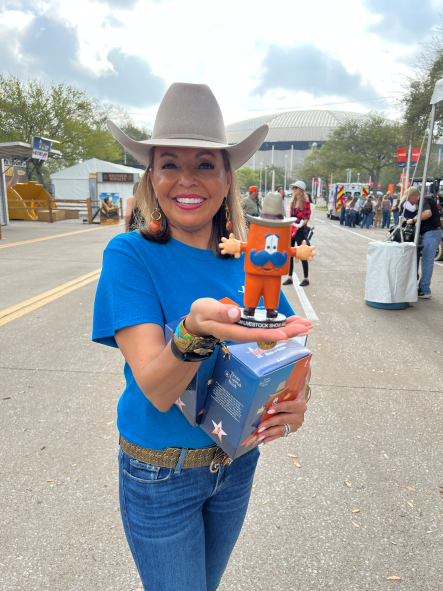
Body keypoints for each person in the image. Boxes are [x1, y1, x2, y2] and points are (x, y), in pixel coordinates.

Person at [93, 83, 312, 591]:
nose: (186, 179)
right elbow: (157, 387)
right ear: (151, 175)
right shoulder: (130, 255)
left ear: (227, 176)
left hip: (235, 464)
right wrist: (193, 332)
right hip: (161, 475)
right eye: (169, 163)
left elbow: (280, 346)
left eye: (205, 164)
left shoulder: (249, 257)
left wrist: (296, 402)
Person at [403, 187, 443, 298]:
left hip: (431, 233)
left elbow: (427, 213)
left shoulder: (424, 200)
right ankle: (423, 288)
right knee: (426, 261)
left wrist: (413, 220)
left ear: (414, 195)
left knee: (427, 262)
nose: (411, 202)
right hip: (431, 233)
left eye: (410, 199)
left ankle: (424, 290)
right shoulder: (425, 200)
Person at [283, 181, 311, 286]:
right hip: (292, 230)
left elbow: (306, 218)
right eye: (293, 188)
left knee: (302, 254)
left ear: (301, 190)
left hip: (300, 231)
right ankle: (290, 277)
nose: (294, 189)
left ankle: (306, 278)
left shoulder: (306, 203)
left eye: (296, 188)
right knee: (290, 253)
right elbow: (292, 216)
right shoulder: (293, 202)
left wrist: (300, 225)